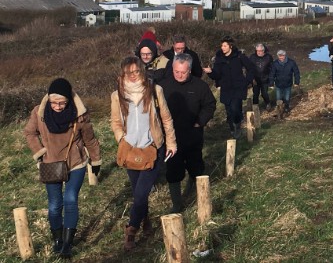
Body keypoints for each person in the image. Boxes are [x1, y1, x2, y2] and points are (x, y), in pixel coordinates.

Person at [24, 78, 102, 258]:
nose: (58, 106)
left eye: (62, 103)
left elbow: (90, 139)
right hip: (50, 163)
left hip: (76, 163)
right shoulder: (39, 112)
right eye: (54, 102)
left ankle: (67, 243)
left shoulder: (79, 114)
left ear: (68, 100)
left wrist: (95, 161)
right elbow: (29, 132)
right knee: (54, 205)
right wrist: (40, 151)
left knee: (70, 199)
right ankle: (57, 240)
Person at [110, 56, 177, 252]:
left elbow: (166, 118)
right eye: (127, 72)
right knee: (138, 191)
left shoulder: (155, 91)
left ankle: (131, 229)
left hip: (152, 149)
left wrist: (171, 142)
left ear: (142, 70)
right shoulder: (117, 95)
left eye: (136, 71)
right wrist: (121, 139)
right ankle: (146, 221)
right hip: (130, 150)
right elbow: (115, 122)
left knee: (141, 193)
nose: (132, 76)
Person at [160, 54, 216, 213]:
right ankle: (177, 204)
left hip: (193, 136)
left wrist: (200, 121)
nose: (179, 75)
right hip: (172, 138)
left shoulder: (200, 86)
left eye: (183, 72)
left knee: (196, 167)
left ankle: (200, 198)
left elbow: (210, 105)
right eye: (176, 71)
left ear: (190, 70)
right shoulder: (163, 86)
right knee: (173, 171)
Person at [203, 36, 258, 139]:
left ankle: (237, 125)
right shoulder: (219, 59)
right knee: (229, 112)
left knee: (235, 108)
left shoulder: (239, 56)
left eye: (225, 45)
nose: (222, 48)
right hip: (226, 88)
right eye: (221, 46)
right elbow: (217, 75)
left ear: (230, 46)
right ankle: (232, 128)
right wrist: (210, 72)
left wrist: (247, 81)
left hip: (238, 87)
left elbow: (251, 68)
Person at [249, 43, 274, 110]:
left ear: (263, 50)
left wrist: (271, 79)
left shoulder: (268, 57)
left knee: (264, 93)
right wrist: (251, 78)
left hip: (265, 79)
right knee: (255, 94)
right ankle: (255, 107)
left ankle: (268, 103)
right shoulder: (252, 57)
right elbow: (249, 68)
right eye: (257, 51)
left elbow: (272, 68)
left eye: (260, 51)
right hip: (255, 79)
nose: (259, 52)